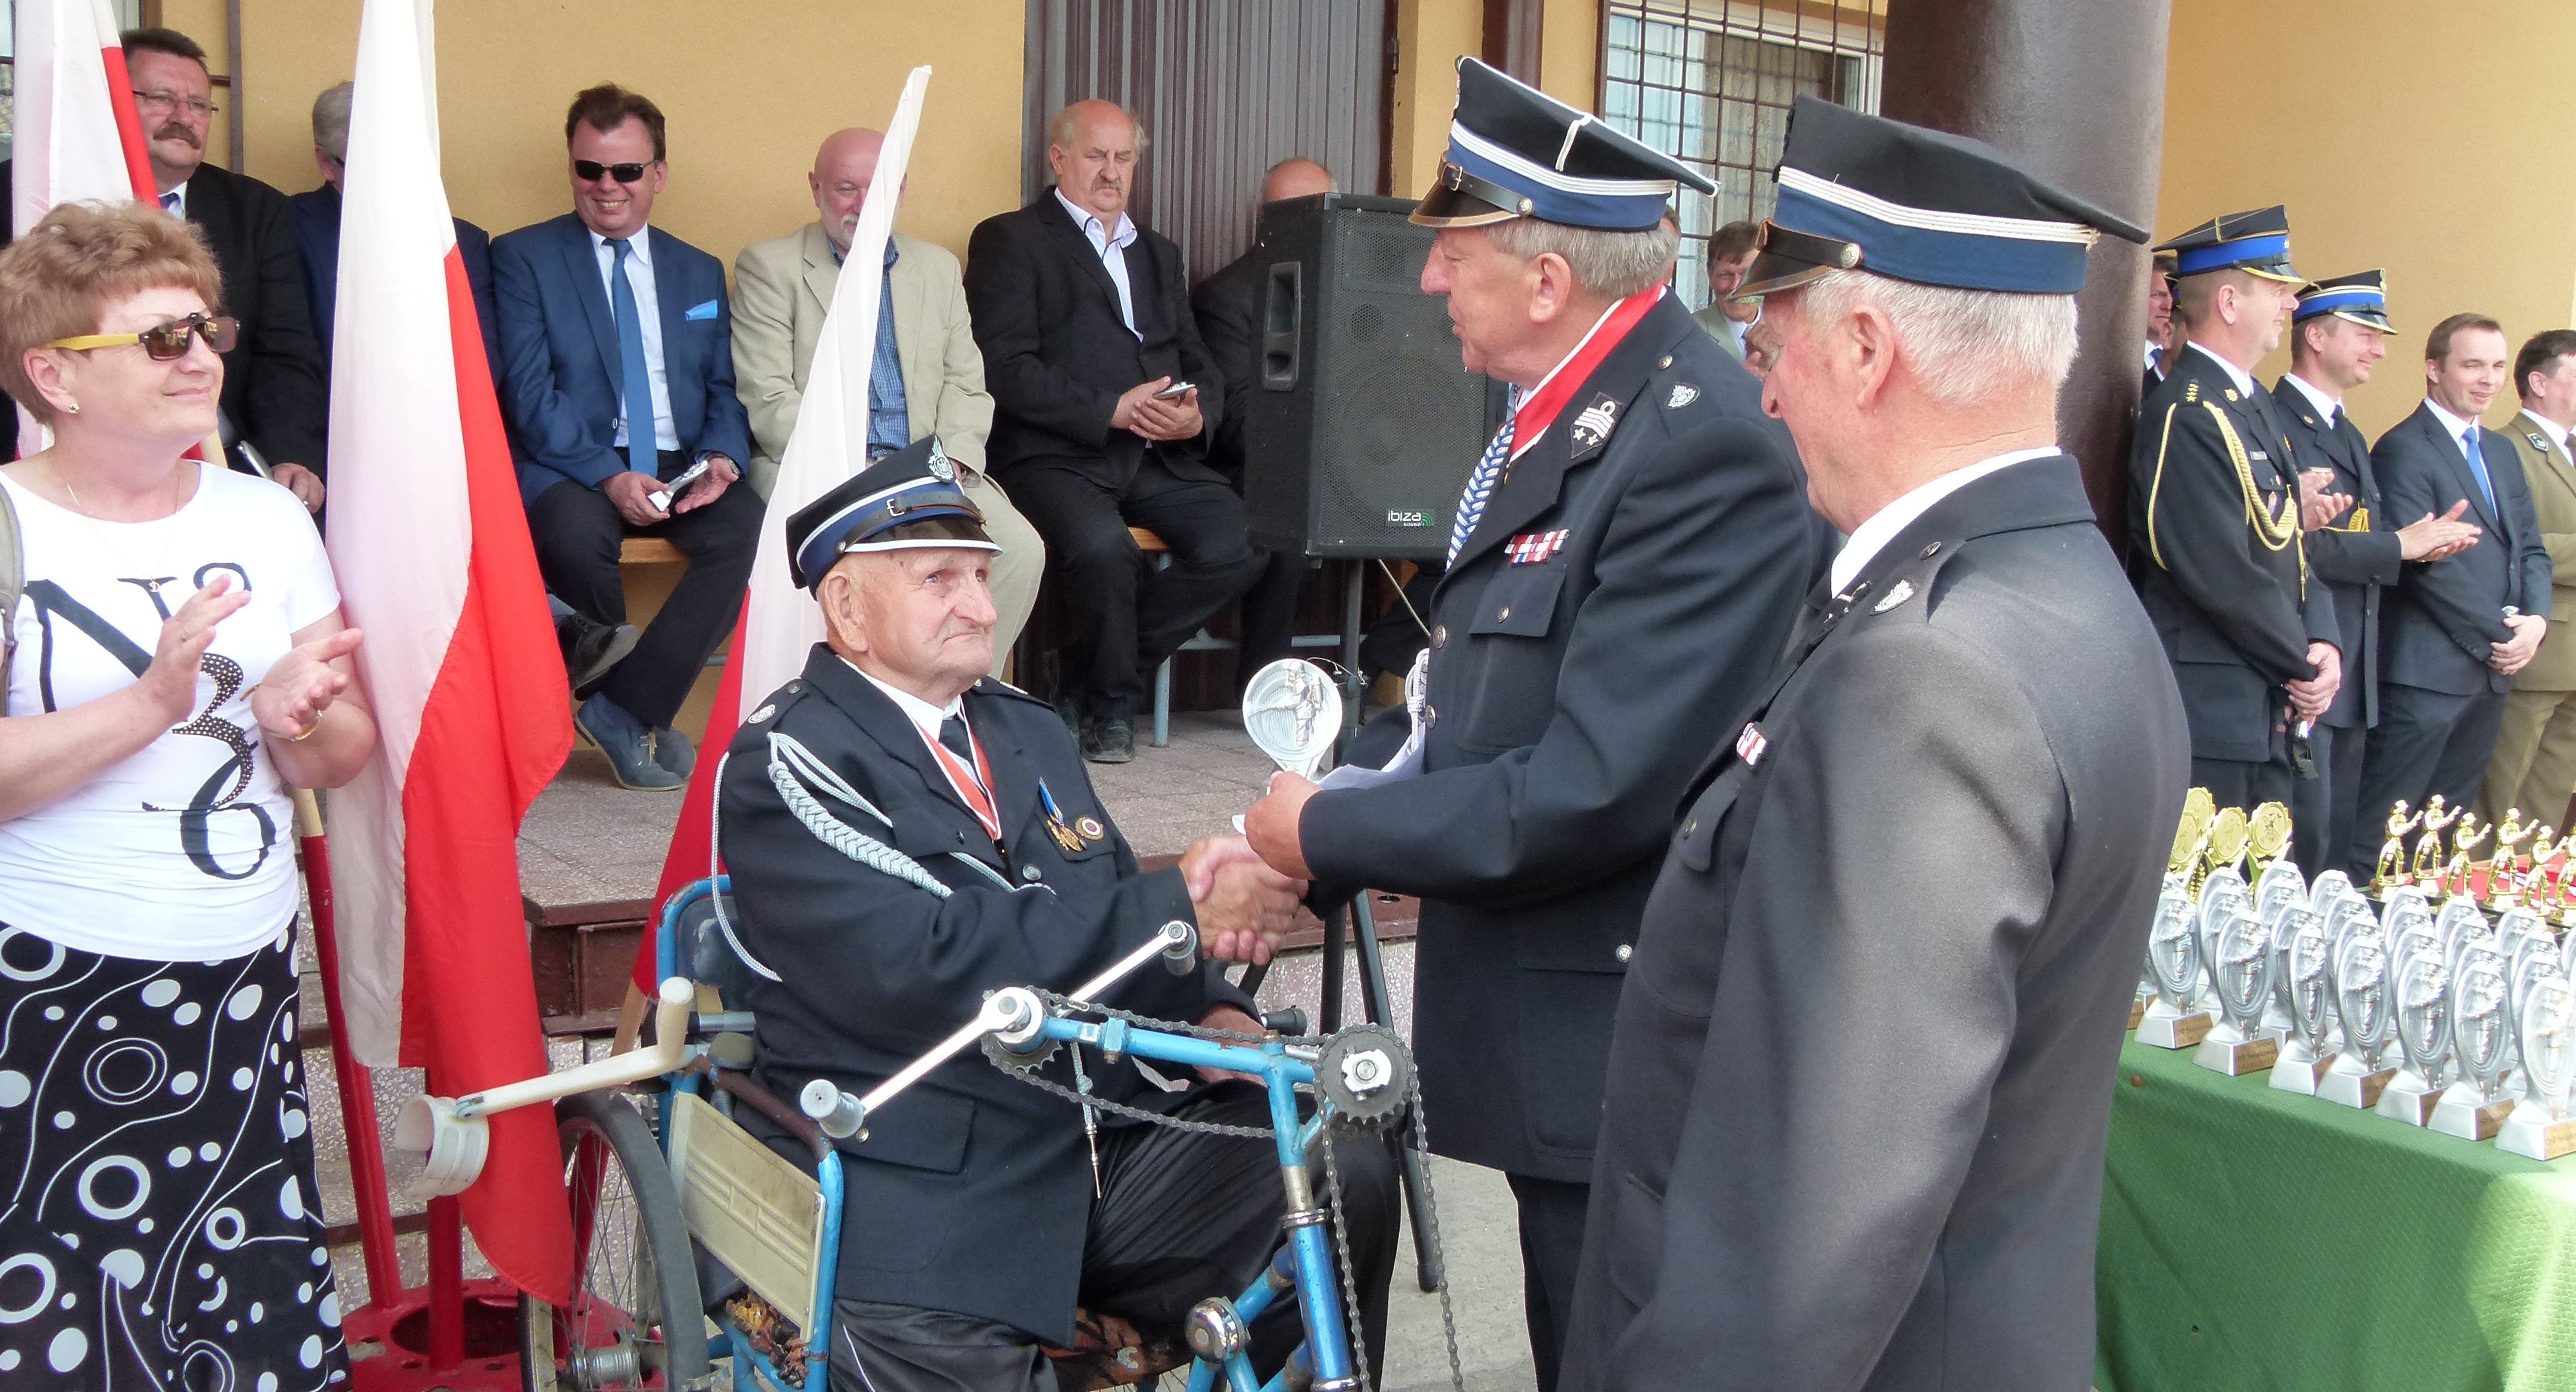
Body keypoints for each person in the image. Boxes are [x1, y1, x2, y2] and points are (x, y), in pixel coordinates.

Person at [1552, 95, 2185, 1392]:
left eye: (1767, 341)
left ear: (1861, 345)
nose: (1763, 389)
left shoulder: (1931, 673)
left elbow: (1807, 1226)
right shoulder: (2063, 596)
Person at [1236, 58, 1827, 1391]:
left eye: (1450, 255)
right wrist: (1299, 840)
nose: (1429, 282)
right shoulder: (1567, 412)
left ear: (1547, 281)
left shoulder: (1695, 443)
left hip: (1620, 1033)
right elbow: (1463, 700)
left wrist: (1325, 823)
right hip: (1549, 1026)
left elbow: (1592, 782)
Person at [717, 439, 1396, 1392]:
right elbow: (932, 961)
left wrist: (1210, 1006)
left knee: (1338, 1163)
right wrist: (1183, 906)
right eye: (940, 578)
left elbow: (1101, 895)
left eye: (983, 576)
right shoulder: (787, 762)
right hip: (923, 1180)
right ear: (846, 607)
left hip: (1098, 1142)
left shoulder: (1023, 726)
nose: (982, 607)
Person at [0, 201, 376, 1390]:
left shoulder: (264, 517)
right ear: (53, 374)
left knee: (236, 1316)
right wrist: (153, 703)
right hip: (50, 983)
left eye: (205, 329)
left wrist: (297, 723)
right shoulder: (10, 522)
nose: (204, 357)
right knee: (68, 1318)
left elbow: (345, 746)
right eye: (159, 340)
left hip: (238, 975)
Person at [964, 100, 1261, 763]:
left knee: (1243, 540)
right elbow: (1002, 367)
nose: (1111, 171)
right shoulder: (1010, 239)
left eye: (1124, 157)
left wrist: (1198, 414)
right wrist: (1109, 408)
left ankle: (1086, 676)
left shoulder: (1158, 253)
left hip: (1155, 456)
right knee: (1105, 551)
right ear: (1058, 158)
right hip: (1055, 454)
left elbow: (1197, 359)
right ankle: (1110, 709)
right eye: (1096, 156)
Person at [491, 84, 760, 791]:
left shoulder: (697, 269)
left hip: (680, 458)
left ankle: (623, 707)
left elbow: (724, 387)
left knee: (751, 532)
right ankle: (633, 718)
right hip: (574, 461)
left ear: (659, 175)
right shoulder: (523, 257)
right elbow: (528, 393)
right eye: (590, 169)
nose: (606, 187)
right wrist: (608, 474)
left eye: (626, 171)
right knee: (577, 537)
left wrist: (723, 459)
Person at [732, 127, 1043, 674]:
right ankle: (869, 704)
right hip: (820, 471)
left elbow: (966, 383)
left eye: (875, 190)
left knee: (1018, 548)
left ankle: (961, 696)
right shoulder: (770, 267)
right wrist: (855, 469)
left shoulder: (937, 268)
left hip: (928, 469)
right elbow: (768, 396)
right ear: (815, 188)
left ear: (900, 190)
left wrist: (955, 460)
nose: (860, 205)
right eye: (845, 189)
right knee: (879, 562)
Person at [2129, 204, 2341, 814]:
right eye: (2278, 290)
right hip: (2213, 703)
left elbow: (2289, 543)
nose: (2292, 305)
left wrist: (2325, 638)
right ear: (2228, 302)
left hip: (2264, 691)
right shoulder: (2189, 414)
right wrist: (2300, 660)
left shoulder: (2249, 404)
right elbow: (2219, 571)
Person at [2276, 272, 2481, 874]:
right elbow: (2295, 547)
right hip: (2307, 657)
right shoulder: (2280, 423)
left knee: (2335, 843)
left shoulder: (2347, 430)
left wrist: (2419, 545)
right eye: (2365, 333)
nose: (2380, 349)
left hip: (2353, 668)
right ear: (2316, 336)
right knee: (2297, 845)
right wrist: (2399, 545)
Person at [2355, 313, 2553, 836]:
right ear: (2433, 369)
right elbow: (2423, 566)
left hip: (2490, 677)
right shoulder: (2402, 448)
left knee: (2441, 836)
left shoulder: (2501, 451)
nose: (2487, 379)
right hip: (2426, 674)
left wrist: (2535, 622)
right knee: (2385, 828)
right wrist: (2499, 635)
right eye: (2472, 365)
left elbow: (2529, 549)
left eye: (2495, 366)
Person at [122, 27, 330, 512]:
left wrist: (291, 452)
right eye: (161, 98)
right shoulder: (29, 198)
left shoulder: (255, 209)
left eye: (198, 105)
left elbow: (286, 349)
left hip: (223, 462)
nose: (183, 117)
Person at [1192, 156, 1337, 684]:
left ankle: (1391, 664)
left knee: (1454, 521)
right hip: (1258, 468)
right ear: (1263, 216)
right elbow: (1236, 421)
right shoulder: (1226, 297)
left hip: (1358, 460)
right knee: (1283, 513)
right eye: (1289, 209)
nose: (1305, 220)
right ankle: (1266, 682)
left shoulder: (1358, 289)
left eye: (1318, 209)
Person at [2478, 328, 2576, 831]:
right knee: (2501, 795)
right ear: (2538, 381)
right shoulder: (2506, 447)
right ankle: (2478, 896)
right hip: (2538, 648)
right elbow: (2514, 542)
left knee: (2548, 801)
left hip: (2571, 655)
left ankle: (2524, 890)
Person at [1689, 219, 1759, 360]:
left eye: (1747, 275)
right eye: (1726, 275)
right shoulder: (1692, 334)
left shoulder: (1786, 331)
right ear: (1710, 275)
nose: (1736, 287)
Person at [2145, 249, 2176, 392]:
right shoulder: (2112, 357)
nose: (2168, 306)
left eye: (2176, 297)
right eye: (2159, 295)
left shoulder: (2190, 363)